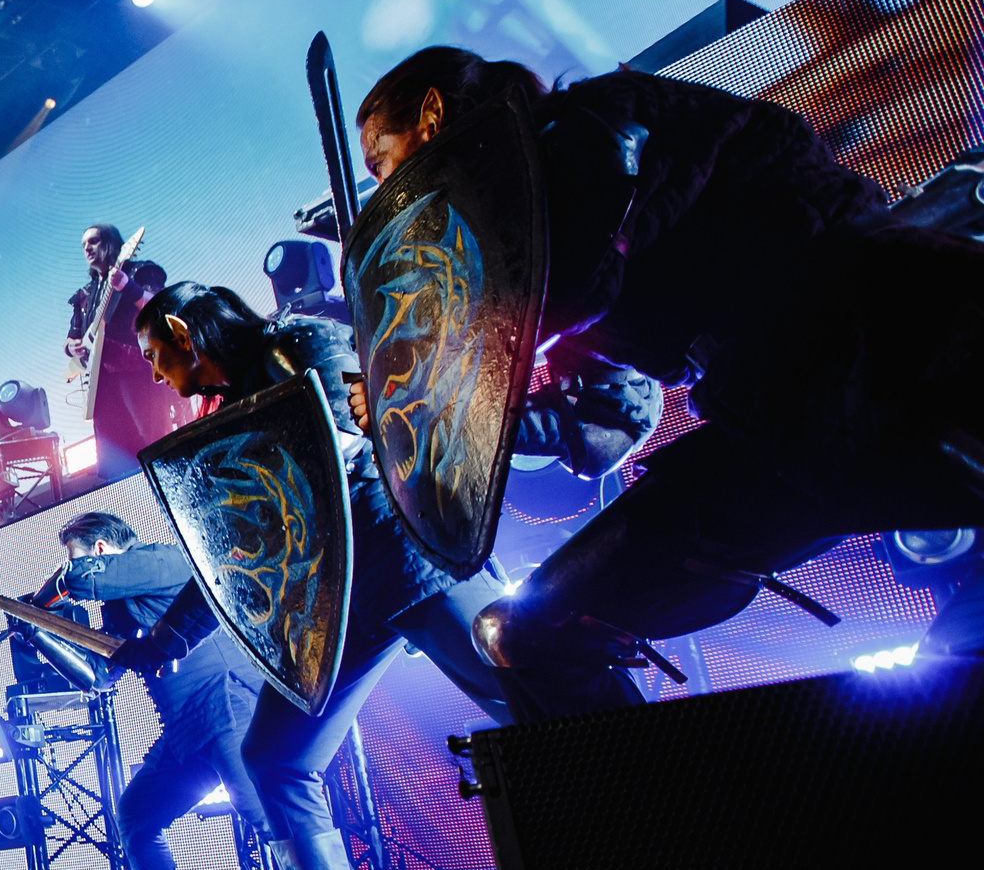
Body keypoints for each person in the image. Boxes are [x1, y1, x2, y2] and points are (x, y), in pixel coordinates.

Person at [343, 47, 984, 719]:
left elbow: (572, 279)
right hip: (780, 416)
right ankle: (654, 814)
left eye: (380, 159)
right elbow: (600, 421)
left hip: (884, 327)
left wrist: (416, 377)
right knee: (526, 636)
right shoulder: (523, 223)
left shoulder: (585, 129)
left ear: (432, 116)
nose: (383, 184)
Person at [125, 285, 507, 870]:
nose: (156, 373)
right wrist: (166, 639)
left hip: (407, 550)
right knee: (273, 757)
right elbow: (239, 546)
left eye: (156, 354)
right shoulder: (233, 411)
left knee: (527, 692)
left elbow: (357, 453)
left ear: (184, 332)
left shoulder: (297, 344)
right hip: (344, 599)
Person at [23, 510, 374, 870]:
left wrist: (43, 600)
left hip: (228, 713)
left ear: (102, 549)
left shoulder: (161, 560)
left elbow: (80, 577)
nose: (76, 564)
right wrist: (41, 632)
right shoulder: (123, 607)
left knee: (276, 821)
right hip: (185, 732)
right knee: (138, 814)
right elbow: (100, 677)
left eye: (78, 552)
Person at [67, 225, 185, 481]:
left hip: (140, 374)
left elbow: (161, 308)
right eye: (83, 245)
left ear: (112, 244)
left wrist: (128, 287)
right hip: (104, 384)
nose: (87, 248)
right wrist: (72, 347)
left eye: (94, 241)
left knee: (153, 444)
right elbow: (73, 338)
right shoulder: (87, 293)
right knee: (114, 457)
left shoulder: (139, 271)